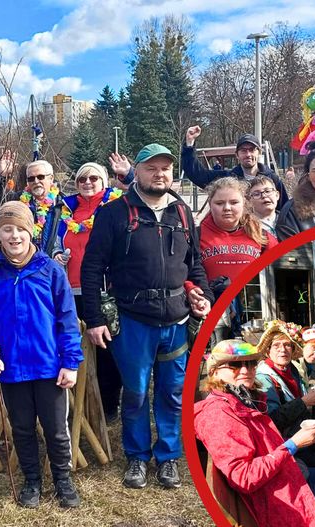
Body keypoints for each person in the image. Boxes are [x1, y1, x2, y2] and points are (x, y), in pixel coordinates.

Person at [81, 143, 212, 489]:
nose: (160, 174)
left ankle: (168, 458)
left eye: (165, 168)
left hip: (177, 320)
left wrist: (203, 296)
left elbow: (195, 264)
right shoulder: (113, 214)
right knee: (136, 393)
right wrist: (94, 319)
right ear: (135, 172)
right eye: (151, 168)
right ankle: (137, 457)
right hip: (132, 320)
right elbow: (92, 268)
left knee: (172, 393)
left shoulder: (182, 212)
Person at [195, 339, 315, 526]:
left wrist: (303, 438)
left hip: (285, 475)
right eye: (234, 365)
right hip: (279, 500)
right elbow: (244, 477)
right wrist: (294, 444)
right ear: (215, 371)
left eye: (250, 363)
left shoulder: (243, 399)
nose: (245, 370)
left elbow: (265, 442)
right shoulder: (218, 414)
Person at [0, 200, 83, 509]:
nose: (14, 236)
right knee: (21, 428)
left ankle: (63, 479)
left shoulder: (50, 270)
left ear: (30, 231)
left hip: (49, 368)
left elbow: (67, 321)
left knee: (56, 430)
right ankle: (32, 480)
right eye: (7, 229)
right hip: (11, 368)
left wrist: (70, 363)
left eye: (20, 229)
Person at [56, 162, 124, 422]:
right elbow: (54, 239)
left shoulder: (115, 206)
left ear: (104, 181)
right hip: (71, 289)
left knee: (106, 350)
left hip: (103, 290)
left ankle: (108, 404)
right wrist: (56, 254)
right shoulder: (65, 209)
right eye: (82, 178)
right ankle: (80, 403)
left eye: (94, 178)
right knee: (76, 347)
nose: (87, 183)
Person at [199, 177, 277, 338]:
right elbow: (185, 272)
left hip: (251, 312)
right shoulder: (197, 234)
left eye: (234, 202)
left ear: (244, 204)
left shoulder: (260, 235)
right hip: (210, 314)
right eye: (219, 203)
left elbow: (279, 264)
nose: (227, 208)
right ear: (210, 204)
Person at [254, 321, 315, 465]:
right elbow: (272, 421)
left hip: (301, 425)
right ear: (268, 351)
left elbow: (302, 395)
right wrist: (304, 402)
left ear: (293, 350)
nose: (283, 350)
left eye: (287, 345)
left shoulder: (290, 368)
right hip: (286, 443)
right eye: (276, 345)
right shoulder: (264, 378)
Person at [181, 126, 290, 210]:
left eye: (252, 150)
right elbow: (197, 174)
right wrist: (189, 144)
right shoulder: (227, 179)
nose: (248, 154)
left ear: (259, 153)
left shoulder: (272, 179)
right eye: (243, 150)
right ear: (237, 155)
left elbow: (284, 209)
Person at [15, 160, 64, 257]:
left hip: (52, 262)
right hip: (25, 261)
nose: (36, 181)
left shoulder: (64, 205)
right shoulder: (18, 202)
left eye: (40, 177)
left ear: (51, 178)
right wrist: (2, 176)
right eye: (31, 179)